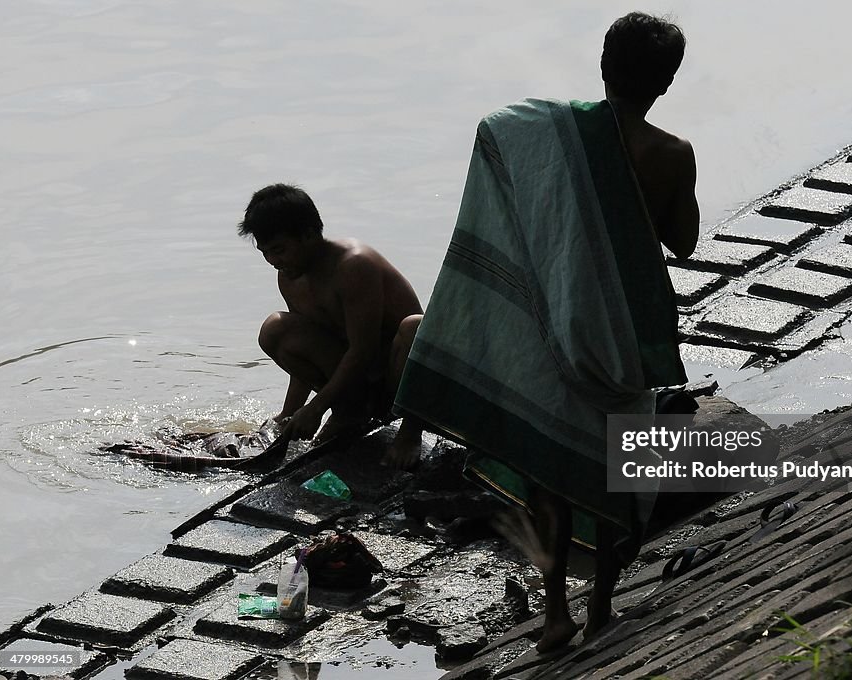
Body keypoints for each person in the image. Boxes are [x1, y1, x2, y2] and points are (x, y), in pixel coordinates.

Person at [393, 12, 698, 652]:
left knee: (550, 469)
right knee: (618, 468)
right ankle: (601, 611)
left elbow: (493, 132)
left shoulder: (548, 129)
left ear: (603, 65)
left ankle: (556, 610)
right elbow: (684, 242)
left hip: (553, 320)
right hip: (620, 335)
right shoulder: (671, 154)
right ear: (667, 82)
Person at [238, 183, 425, 468]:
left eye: (280, 250)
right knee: (276, 330)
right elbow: (305, 352)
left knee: (414, 327)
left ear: (309, 235)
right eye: (266, 253)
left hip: (396, 378)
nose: (274, 262)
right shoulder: (290, 276)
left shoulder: (354, 265)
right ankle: (350, 412)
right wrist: (290, 413)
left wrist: (317, 407)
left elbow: (363, 350)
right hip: (358, 384)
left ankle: (411, 432)